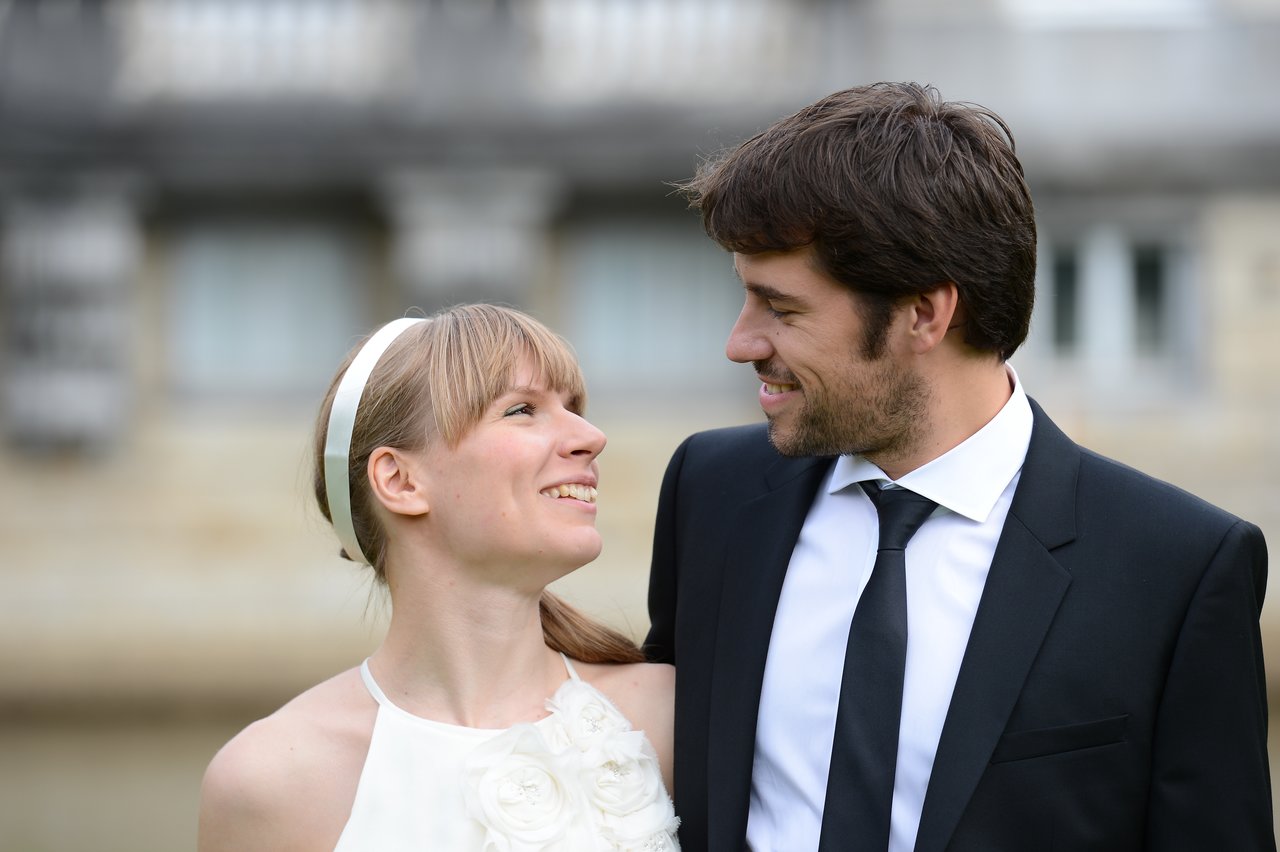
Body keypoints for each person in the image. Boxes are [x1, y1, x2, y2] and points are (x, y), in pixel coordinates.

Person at [645, 82, 1273, 851]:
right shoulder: (711, 493)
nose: (740, 343)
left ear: (924, 314)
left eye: (783, 309)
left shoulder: (1178, 565)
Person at [199, 304, 680, 852]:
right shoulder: (268, 782)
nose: (591, 437)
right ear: (400, 480)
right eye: (522, 409)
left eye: (573, 408)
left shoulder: (668, 718)